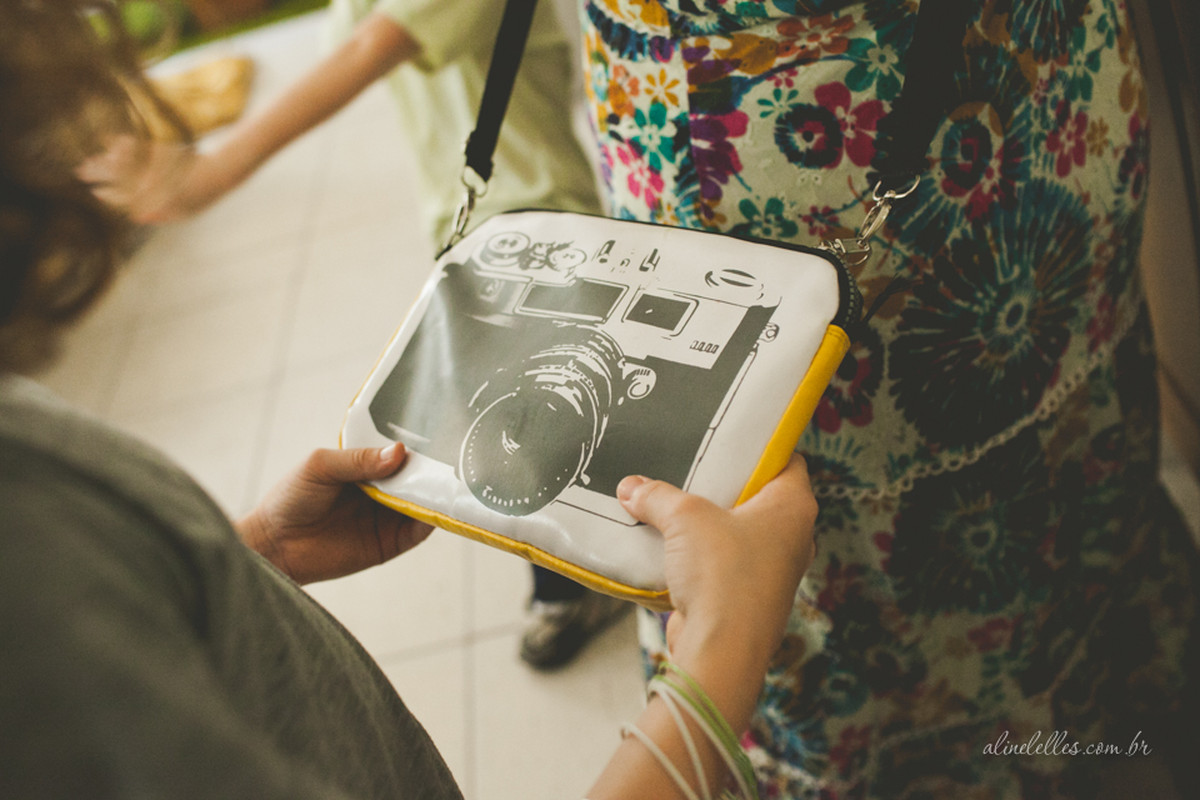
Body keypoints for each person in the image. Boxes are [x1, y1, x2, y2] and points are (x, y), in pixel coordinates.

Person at [0, 3, 819, 799]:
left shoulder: (33, 458)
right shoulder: (38, 577)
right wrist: (720, 658)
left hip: (541, 221)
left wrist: (242, 560)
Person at [578, 0, 1199, 796]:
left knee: (1053, 455)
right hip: (732, 142)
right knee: (801, 516)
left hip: (984, 113)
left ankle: (1086, 733)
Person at [78, 0, 628, 670]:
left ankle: (579, 585)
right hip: (469, 234)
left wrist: (213, 172)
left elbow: (373, 47)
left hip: (541, 228)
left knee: (544, 423)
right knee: (512, 426)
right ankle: (579, 574)